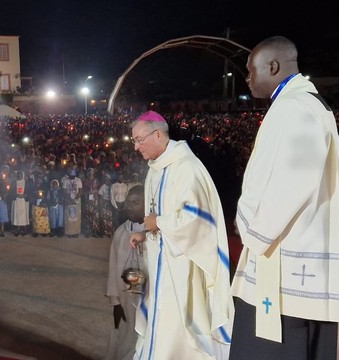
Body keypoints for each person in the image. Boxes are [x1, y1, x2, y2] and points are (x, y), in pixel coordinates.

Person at [229, 36, 339, 359]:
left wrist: (249, 225)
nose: (247, 78)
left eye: (251, 70)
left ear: (273, 66)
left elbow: (292, 180)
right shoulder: (301, 104)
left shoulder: (294, 108)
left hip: (286, 277)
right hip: (297, 266)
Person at [129, 110, 232, 359]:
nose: (136, 147)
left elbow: (197, 221)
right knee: (159, 326)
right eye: (133, 141)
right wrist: (147, 232)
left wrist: (158, 222)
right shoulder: (155, 168)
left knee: (176, 331)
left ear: (158, 134)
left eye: (139, 139)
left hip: (181, 268)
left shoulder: (186, 167)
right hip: (160, 265)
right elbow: (159, 215)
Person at [105, 185, 147, 360]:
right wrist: (115, 301)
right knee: (123, 337)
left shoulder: (154, 236)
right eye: (128, 201)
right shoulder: (120, 233)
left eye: (135, 202)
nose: (128, 206)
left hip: (146, 298)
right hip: (124, 298)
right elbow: (113, 268)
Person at [62, 168, 82, 237]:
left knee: (76, 216)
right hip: (68, 200)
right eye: (70, 176)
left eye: (73, 176)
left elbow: (80, 190)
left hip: (76, 200)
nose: (71, 177)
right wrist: (69, 199)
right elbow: (64, 191)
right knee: (69, 216)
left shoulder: (78, 180)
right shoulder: (65, 180)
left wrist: (75, 199)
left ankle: (76, 232)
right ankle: (69, 232)